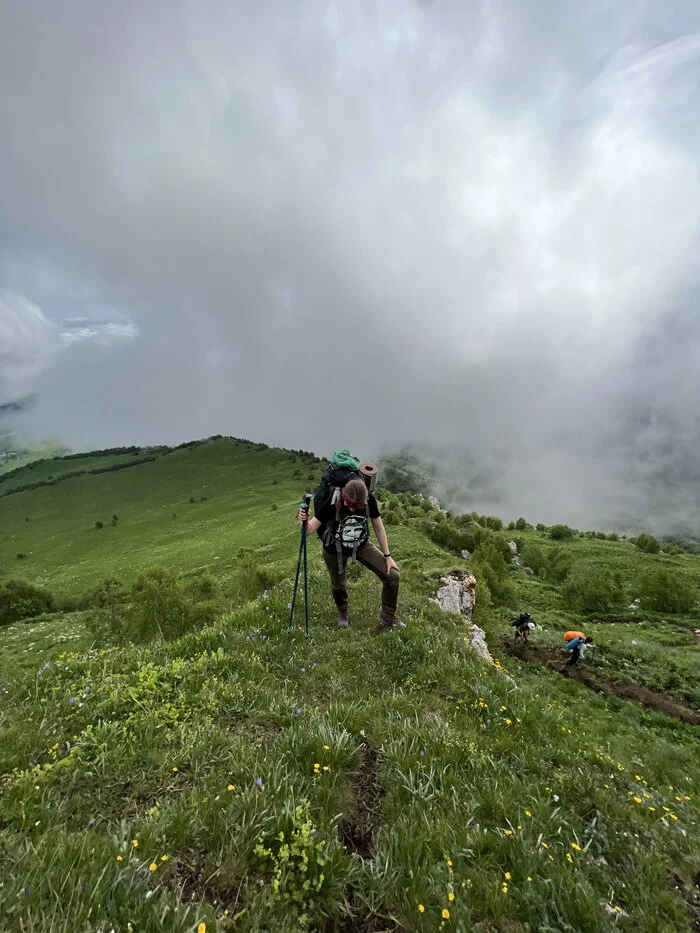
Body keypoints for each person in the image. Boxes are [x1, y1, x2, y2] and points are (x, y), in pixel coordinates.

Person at [297, 477, 403, 630]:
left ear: (364, 499)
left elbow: (378, 528)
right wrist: (304, 520)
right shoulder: (332, 501)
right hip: (334, 549)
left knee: (393, 576)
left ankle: (388, 614)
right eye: (349, 504)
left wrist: (388, 557)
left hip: (361, 545)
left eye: (357, 505)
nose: (353, 509)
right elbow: (309, 530)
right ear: (343, 495)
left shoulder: (369, 500)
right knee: (338, 585)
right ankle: (342, 611)